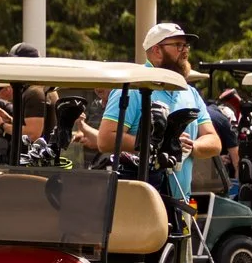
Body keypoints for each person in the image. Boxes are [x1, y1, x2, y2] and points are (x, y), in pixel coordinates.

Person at [82, 23, 221, 199]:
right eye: (178, 45)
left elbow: (214, 141)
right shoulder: (134, 87)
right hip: (141, 204)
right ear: (156, 51)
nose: (185, 51)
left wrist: (192, 146)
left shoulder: (190, 92)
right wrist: (160, 146)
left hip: (180, 201)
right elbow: (106, 139)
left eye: (186, 45)